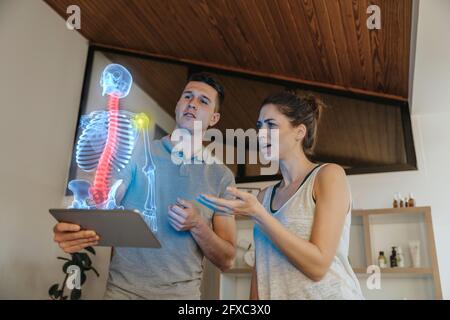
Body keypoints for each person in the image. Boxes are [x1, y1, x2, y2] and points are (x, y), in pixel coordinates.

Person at [53, 73, 237, 299]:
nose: (192, 103)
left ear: (214, 118)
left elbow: (227, 260)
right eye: (187, 96)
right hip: (122, 293)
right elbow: (103, 205)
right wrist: (74, 226)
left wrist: (198, 225)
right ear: (178, 104)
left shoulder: (222, 177)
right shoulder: (136, 152)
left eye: (203, 101)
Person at [199, 91, 364, 299]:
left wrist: (260, 215)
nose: (261, 134)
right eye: (259, 126)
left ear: (299, 132)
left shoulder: (328, 176)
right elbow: (262, 271)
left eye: (271, 125)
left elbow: (318, 266)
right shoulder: (263, 197)